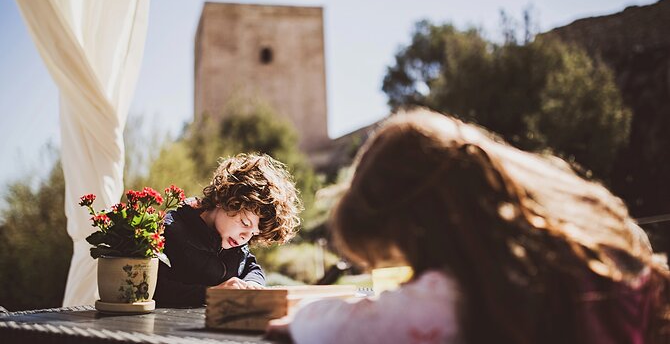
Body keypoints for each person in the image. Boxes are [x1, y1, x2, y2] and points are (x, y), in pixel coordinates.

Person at [267, 108, 670, 344]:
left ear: (417, 224)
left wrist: (300, 317)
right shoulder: (599, 261)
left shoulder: (460, 297)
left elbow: (336, 325)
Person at [154, 153, 302, 307]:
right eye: (245, 223)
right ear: (222, 199)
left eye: (253, 233)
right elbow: (155, 287)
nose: (245, 237)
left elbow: (251, 267)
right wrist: (212, 293)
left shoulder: (234, 243)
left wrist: (252, 283)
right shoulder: (170, 230)